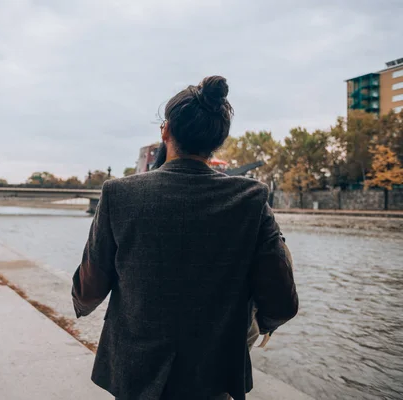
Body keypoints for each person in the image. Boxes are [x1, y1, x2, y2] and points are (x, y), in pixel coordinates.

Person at [72, 76, 298, 400]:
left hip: (135, 371)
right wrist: (260, 324)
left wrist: (80, 302)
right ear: (218, 140)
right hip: (213, 373)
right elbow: (281, 299)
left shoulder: (119, 194)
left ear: (166, 131)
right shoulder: (250, 198)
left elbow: (92, 285)